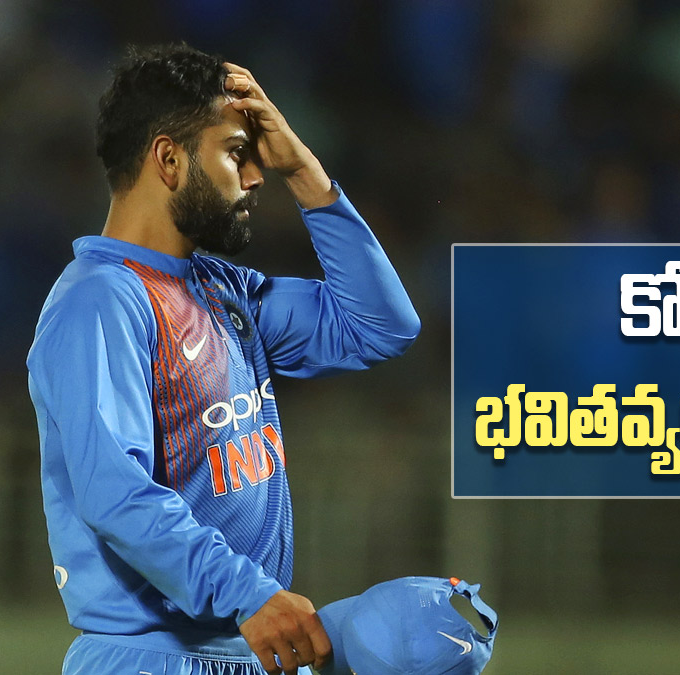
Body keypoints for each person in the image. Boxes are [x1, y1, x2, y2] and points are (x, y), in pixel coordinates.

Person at [26, 43, 420, 675]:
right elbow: (115, 492)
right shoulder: (99, 301)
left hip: (246, 645)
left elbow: (380, 327)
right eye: (237, 152)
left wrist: (305, 172)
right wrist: (248, 593)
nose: (257, 175)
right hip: (153, 657)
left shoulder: (222, 290)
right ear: (169, 158)